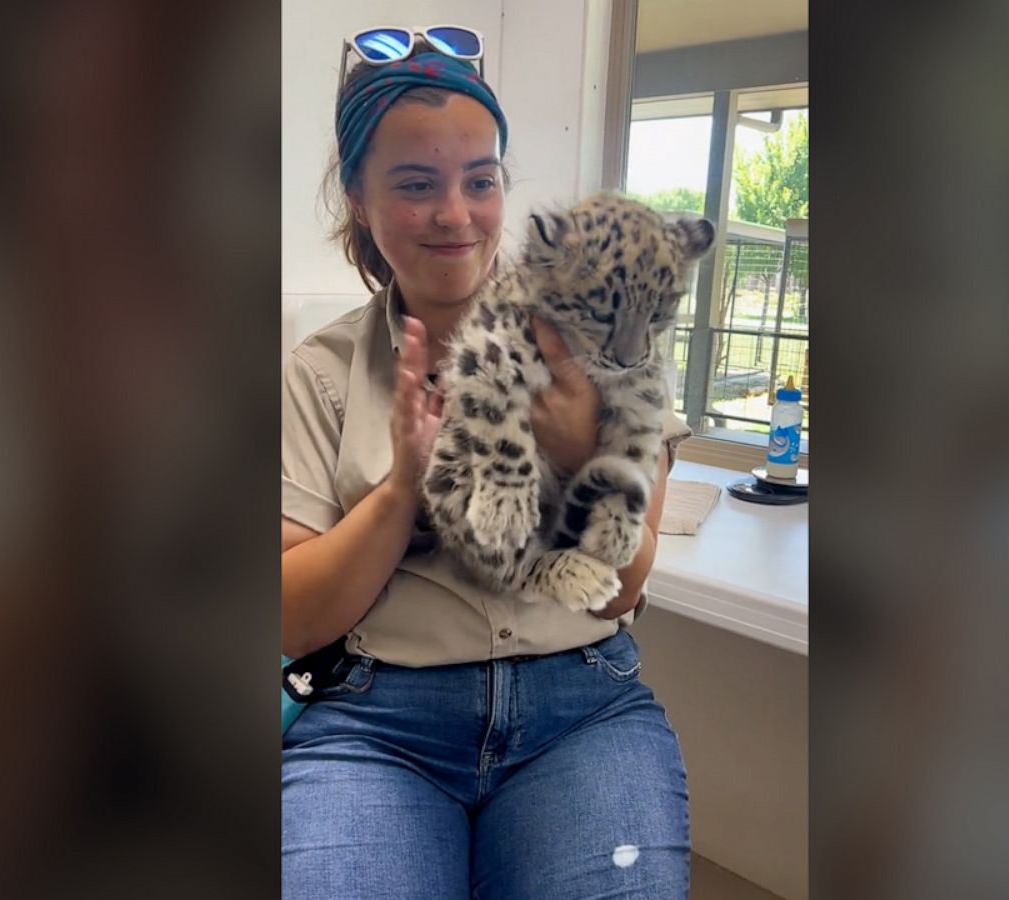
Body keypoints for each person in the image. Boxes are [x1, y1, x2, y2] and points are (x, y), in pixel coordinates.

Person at [280, 29, 694, 899]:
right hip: (375, 721)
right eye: (416, 184)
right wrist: (402, 487)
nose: (456, 215)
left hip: (577, 708)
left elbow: (617, 587)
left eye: (481, 180)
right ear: (358, 197)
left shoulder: (608, 343)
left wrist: (584, 454)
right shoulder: (318, 374)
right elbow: (293, 620)